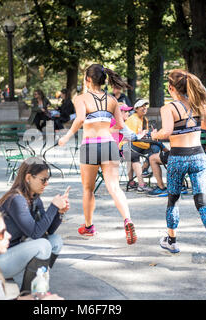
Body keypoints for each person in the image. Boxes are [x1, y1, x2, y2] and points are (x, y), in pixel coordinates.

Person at [149, 69, 206, 268]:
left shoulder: (169, 108)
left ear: (171, 88)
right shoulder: (198, 103)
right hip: (198, 156)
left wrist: (154, 135)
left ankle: (172, 241)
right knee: (202, 202)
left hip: (178, 157)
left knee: (173, 200)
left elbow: (167, 132)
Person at [58, 64, 137, 245]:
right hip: (109, 144)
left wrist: (67, 137)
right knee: (114, 188)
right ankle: (128, 220)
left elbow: (79, 119)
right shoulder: (111, 100)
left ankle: (88, 226)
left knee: (88, 189)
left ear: (88, 79)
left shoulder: (81, 98)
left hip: (90, 146)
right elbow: (119, 125)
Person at [0, 158, 69, 293]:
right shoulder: (16, 199)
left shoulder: (34, 198)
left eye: (47, 180)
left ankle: (37, 284)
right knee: (43, 245)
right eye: (43, 180)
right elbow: (35, 233)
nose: (46, 184)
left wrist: (58, 213)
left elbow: (46, 231)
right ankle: (28, 294)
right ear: (28, 177)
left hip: (13, 253)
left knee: (56, 241)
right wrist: (53, 207)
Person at [121, 99, 167, 194]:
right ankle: (144, 170)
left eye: (145, 106)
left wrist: (150, 135)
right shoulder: (133, 119)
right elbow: (133, 138)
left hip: (138, 145)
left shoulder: (144, 119)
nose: (144, 108)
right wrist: (149, 138)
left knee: (155, 146)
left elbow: (143, 136)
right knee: (155, 146)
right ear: (136, 108)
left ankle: (144, 170)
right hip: (128, 145)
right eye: (142, 106)